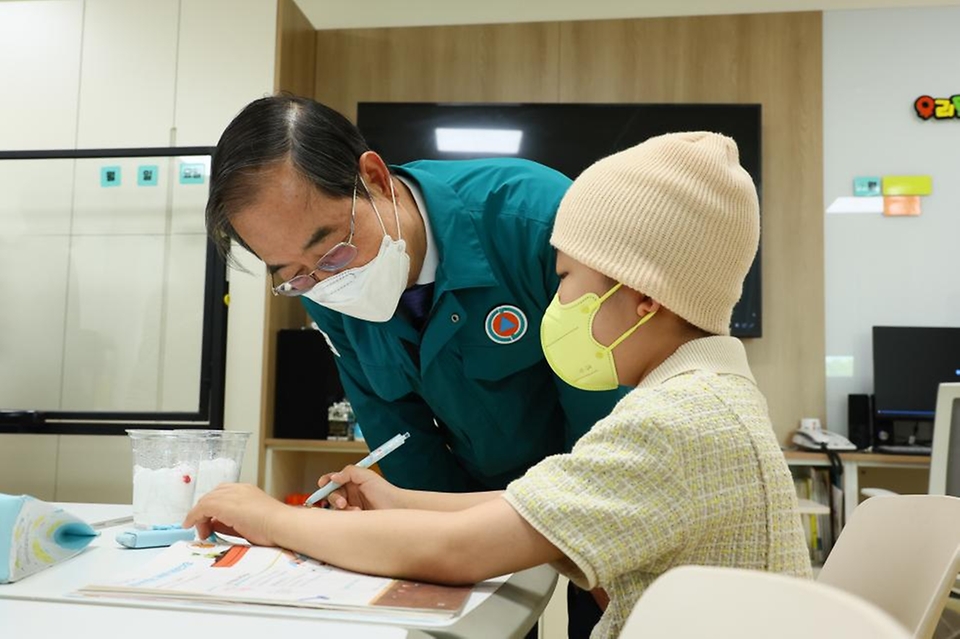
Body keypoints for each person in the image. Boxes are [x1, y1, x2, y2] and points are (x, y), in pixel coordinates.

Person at [188, 131, 813, 639]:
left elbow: (467, 546)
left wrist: (273, 517)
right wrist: (399, 502)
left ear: (643, 297)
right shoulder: (709, 397)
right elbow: (535, 502)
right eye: (295, 276)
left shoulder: (670, 422)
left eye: (565, 279)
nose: (555, 299)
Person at [205, 95, 623, 636]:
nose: (325, 283)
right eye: (294, 274)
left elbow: (606, 433)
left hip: (599, 487)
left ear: (375, 178)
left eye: (333, 252)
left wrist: (575, 537)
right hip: (465, 500)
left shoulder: (536, 218)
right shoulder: (324, 289)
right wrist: (417, 523)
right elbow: (401, 439)